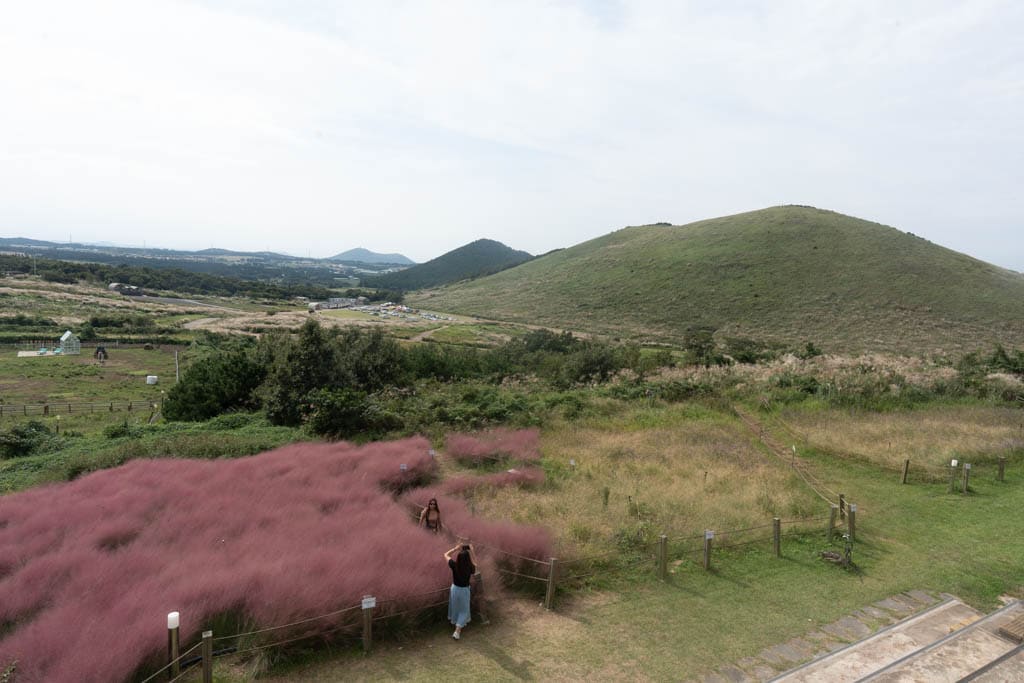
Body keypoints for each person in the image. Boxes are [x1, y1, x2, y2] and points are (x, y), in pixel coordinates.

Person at [444, 541, 477, 640]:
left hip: (454, 589)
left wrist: (456, 548)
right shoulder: (470, 567)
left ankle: (456, 626)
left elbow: (445, 554)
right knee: (464, 610)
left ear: (458, 558)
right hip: (464, 590)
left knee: (455, 607)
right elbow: (475, 562)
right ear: (468, 560)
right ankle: (457, 631)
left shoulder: (454, 565)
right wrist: (472, 551)